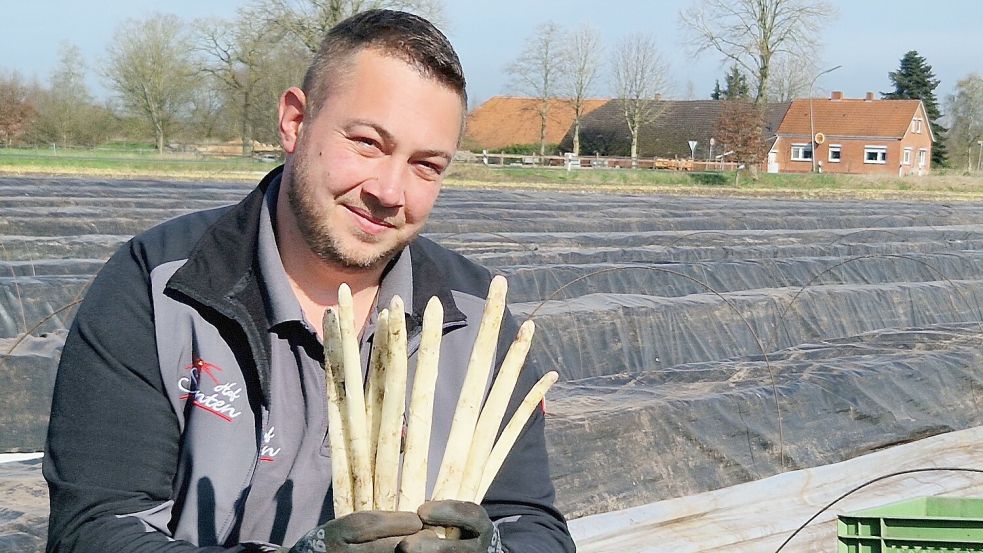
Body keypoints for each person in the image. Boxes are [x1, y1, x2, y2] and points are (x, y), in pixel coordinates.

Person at [43, 10, 575, 553]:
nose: (391, 191)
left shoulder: (476, 319)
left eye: (426, 165)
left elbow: (533, 524)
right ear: (296, 122)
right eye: (368, 142)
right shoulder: (158, 291)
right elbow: (96, 530)